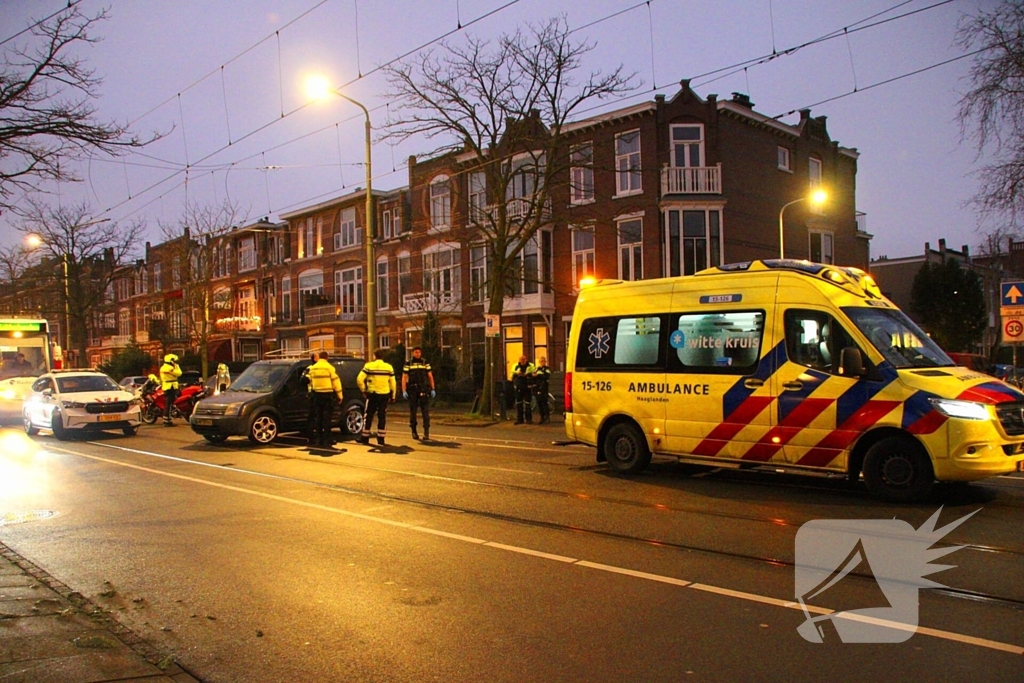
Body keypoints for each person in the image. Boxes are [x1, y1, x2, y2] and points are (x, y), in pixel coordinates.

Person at [357, 348, 396, 445]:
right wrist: (393, 395)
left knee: (368, 416)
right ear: (383, 356)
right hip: (384, 394)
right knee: (382, 416)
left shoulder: (369, 366)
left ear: (374, 356)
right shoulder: (389, 367)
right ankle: (381, 438)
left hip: (372, 394)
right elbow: (393, 383)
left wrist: (364, 390)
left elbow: (359, 379)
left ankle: (365, 437)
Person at [306, 351, 343, 447]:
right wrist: (340, 396)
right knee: (327, 418)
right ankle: (327, 440)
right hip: (327, 395)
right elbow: (336, 382)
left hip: (316, 395)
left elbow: (308, 381)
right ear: (327, 358)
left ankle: (318, 439)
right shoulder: (329, 368)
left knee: (318, 417)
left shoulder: (313, 368)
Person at [402, 346, 435, 440]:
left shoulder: (425, 362)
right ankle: (414, 431)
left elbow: (430, 376)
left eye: (419, 352)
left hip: (423, 389)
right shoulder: (408, 363)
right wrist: (404, 390)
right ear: (413, 353)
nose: (418, 354)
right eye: (416, 352)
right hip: (412, 390)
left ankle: (426, 432)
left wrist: (433, 388)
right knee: (413, 412)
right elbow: (404, 377)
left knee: (425, 411)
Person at [510, 354, 536, 424]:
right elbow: (512, 376)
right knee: (519, 404)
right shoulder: (516, 366)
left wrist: (528, 375)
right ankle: (519, 419)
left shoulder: (531, 366)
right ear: (519, 360)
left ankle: (528, 419)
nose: (523, 361)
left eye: (524, 359)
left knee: (528, 404)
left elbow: (534, 374)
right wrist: (517, 374)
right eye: (521, 359)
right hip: (519, 387)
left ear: (526, 359)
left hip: (527, 387)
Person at [159, 353, 182, 426]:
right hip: (169, 386)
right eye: (174, 361)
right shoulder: (167, 368)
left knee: (170, 403)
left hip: (172, 386)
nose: (175, 362)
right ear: (171, 360)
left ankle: (168, 418)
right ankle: (167, 420)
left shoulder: (166, 367)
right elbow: (179, 373)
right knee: (169, 403)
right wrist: (176, 367)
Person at [533, 356, 552, 424]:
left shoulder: (547, 369)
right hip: (537, 388)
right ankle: (542, 417)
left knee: (544, 403)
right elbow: (533, 375)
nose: (542, 362)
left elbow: (547, 376)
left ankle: (547, 417)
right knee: (539, 404)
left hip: (544, 388)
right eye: (541, 361)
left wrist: (539, 375)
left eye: (543, 361)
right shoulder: (537, 369)